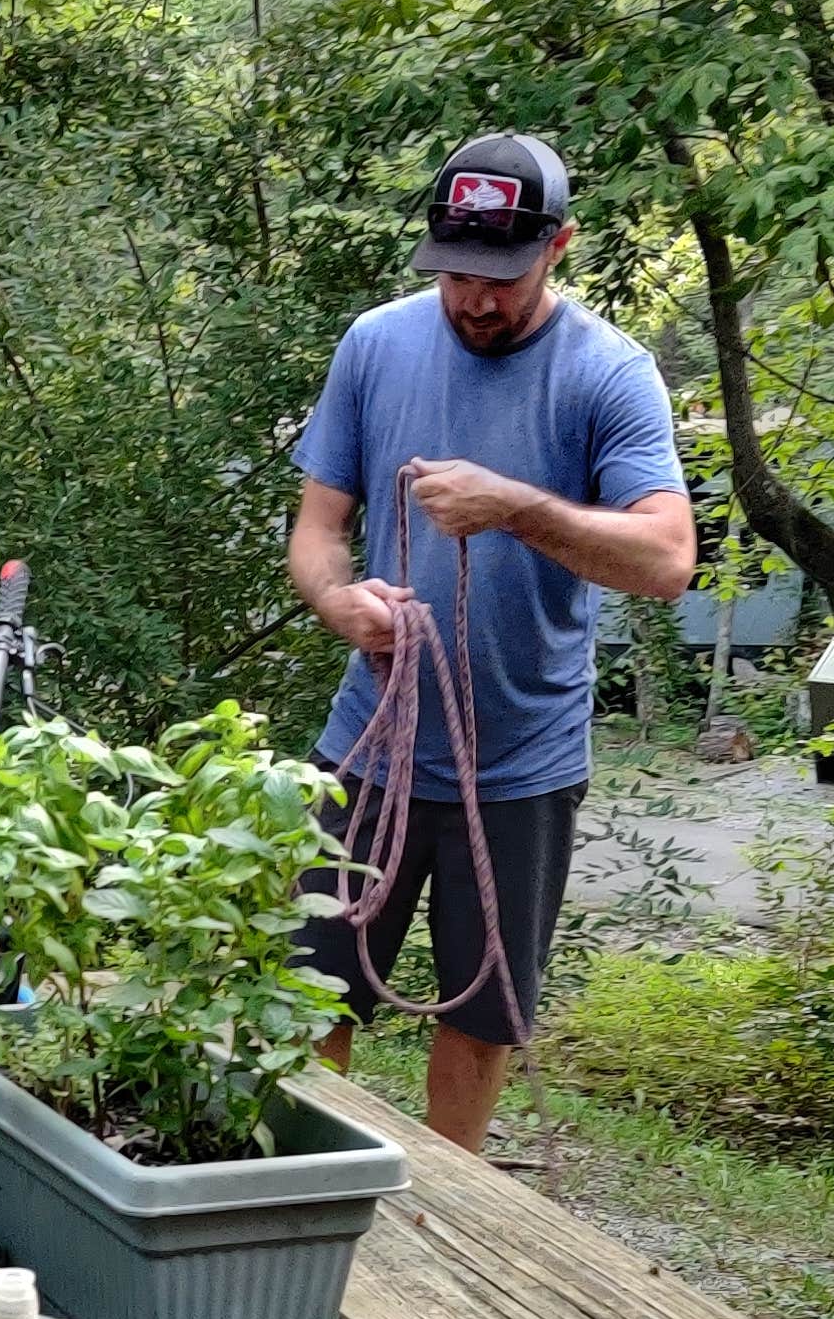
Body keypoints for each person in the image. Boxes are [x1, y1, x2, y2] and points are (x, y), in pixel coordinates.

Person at [288, 132, 696, 1150]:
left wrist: (515, 506)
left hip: (520, 765)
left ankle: (454, 1229)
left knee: (478, 1020)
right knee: (305, 1000)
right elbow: (316, 530)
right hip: (368, 743)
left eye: (500, 277)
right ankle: (291, 1194)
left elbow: (666, 558)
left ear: (557, 246)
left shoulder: (610, 375)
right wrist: (339, 602)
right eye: (457, 273)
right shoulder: (376, 344)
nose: (474, 299)